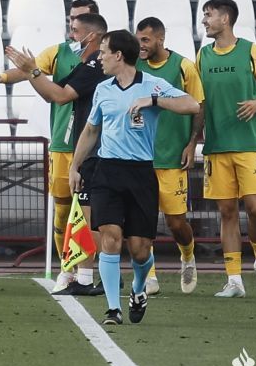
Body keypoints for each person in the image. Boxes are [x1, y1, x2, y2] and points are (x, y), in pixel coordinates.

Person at [68, 30, 200, 325]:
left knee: (140, 250)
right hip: (106, 170)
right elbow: (91, 131)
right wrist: (74, 166)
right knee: (111, 238)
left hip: (140, 173)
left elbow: (192, 105)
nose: (99, 58)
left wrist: (153, 101)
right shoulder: (103, 89)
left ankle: (138, 289)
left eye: (103, 52)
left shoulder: (154, 85)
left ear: (118, 55)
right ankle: (113, 308)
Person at [0, 0, 102, 295]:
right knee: (65, 211)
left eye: (77, 21)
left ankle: (94, 270)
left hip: (93, 146)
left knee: (93, 213)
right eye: (70, 20)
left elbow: (46, 83)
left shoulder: (105, 57)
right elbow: (30, 69)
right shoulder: (59, 52)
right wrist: (2, 77)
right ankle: (69, 267)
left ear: (91, 26)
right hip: (63, 145)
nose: (71, 27)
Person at [198, 0, 256, 298]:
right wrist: (194, 138)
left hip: (247, 145)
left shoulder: (251, 51)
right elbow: (200, 102)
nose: (204, 20)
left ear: (226, 19)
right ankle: (234, 280)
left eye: (208, 15)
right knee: (227, 211)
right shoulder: (203, 55)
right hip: (216, 146)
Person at [135, 17, 205, 295]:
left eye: (146, 40)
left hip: (172, 157)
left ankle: (187, 255)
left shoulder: (184, 66)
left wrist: (191, 144)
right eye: (138, 39)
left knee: (176, 222)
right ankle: (149, 275)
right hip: (139, 157)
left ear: (160, 40)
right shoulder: (134, 66)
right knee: (142, 219)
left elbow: (199, 106)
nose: (140, 45)